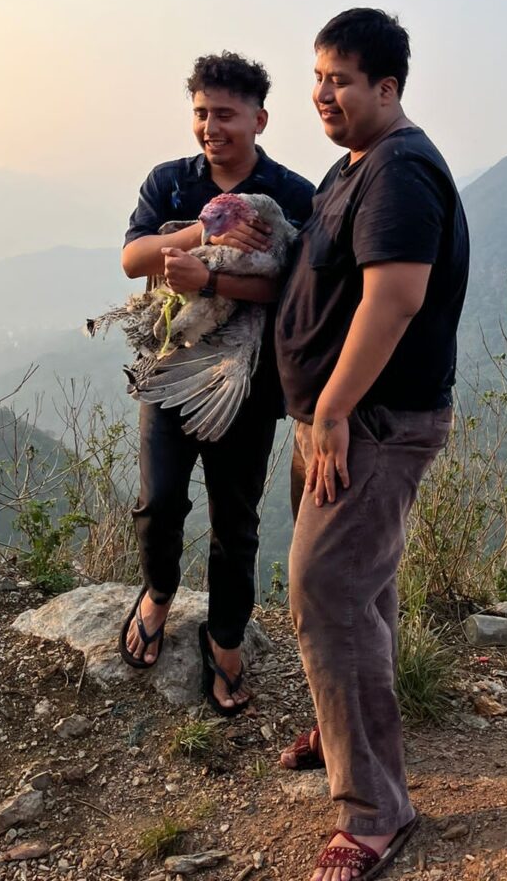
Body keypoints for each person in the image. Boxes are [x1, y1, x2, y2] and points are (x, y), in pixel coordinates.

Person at [275, 9, 469, 879]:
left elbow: (392, 301)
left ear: (386, 89)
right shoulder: (352, 166)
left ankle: (373, 814)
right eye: (318, 75)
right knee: (361, 589)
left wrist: (334, 410)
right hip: (343, 417)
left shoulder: (399, 173)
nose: (323, 92)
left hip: (373, 423)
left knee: (325, 588)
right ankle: (342, 721)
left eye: (342, 79)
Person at [119, 51, 314, 715]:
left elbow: (297, 285)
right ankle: (158, 592)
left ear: (259, 118)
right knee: (159, 500)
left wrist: (213, 280)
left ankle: (226, 638)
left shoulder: (292, 193)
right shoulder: (171, 183)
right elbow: (131, 259)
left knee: (237, 521)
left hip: (246, 386)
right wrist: (205, 229)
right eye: (202, 112)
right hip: (172, 371)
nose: (211, 126)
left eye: (226, 114)